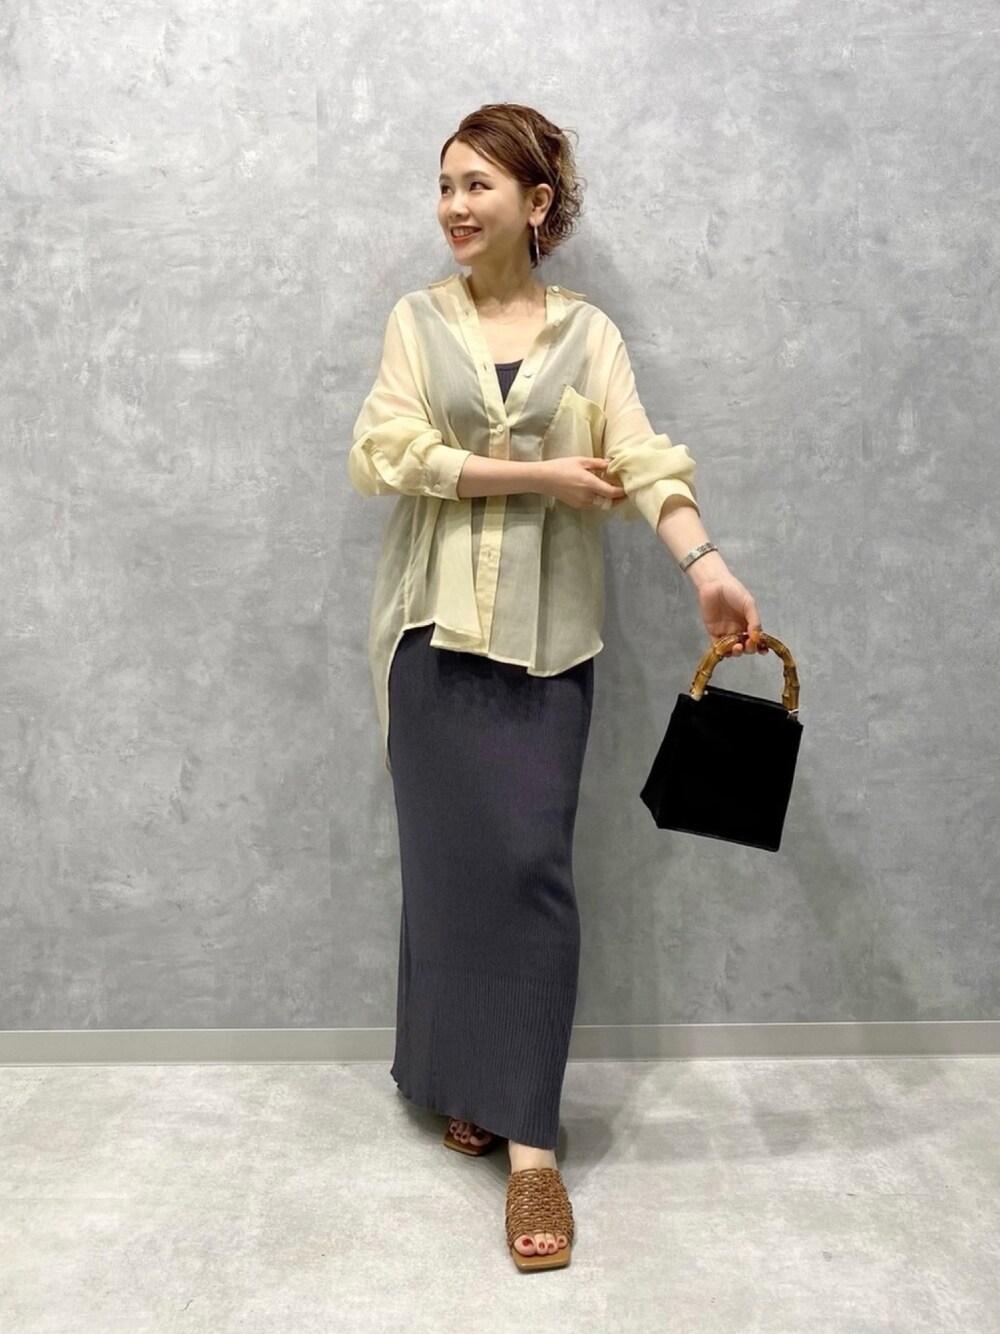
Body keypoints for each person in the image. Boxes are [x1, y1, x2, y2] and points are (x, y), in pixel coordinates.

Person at [348, 103, 765, 1272]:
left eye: (477, 184)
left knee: (528, 865)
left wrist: (705, 565)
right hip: (432, 632)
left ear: (536, 203)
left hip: (549, 642)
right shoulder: (414, 323)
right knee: (448, 872)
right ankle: (465, 1081)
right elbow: (386, 452)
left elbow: (643, 458)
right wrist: (532, 475)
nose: (453, 205)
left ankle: (531, 1143)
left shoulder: (590, 337)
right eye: (444, 184)